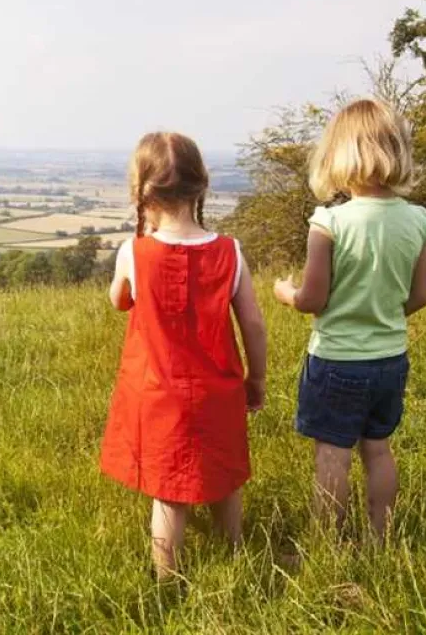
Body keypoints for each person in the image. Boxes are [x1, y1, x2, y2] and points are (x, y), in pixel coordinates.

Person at [100, 131, 268, 579]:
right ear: (202, 185)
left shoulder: (133, 252)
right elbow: (252, 323)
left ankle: (166, 576)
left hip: (159, 396)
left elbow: (119, 301)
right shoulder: (229, 251)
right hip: (220, 390)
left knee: (169, 492)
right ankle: (234, 551)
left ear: (141, 192)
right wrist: (257, 378)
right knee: (227, 475)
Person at [273, 98, 426, 540]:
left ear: (338, 154)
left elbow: (313, 299)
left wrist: (285, 293)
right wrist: (382, 314)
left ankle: (327, 545)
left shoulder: (329, 222)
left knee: (333, 456)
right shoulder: (418, 221)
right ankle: (379, 539)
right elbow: (420, 295)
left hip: (338, 362)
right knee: (378, 450)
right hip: (391, 360)